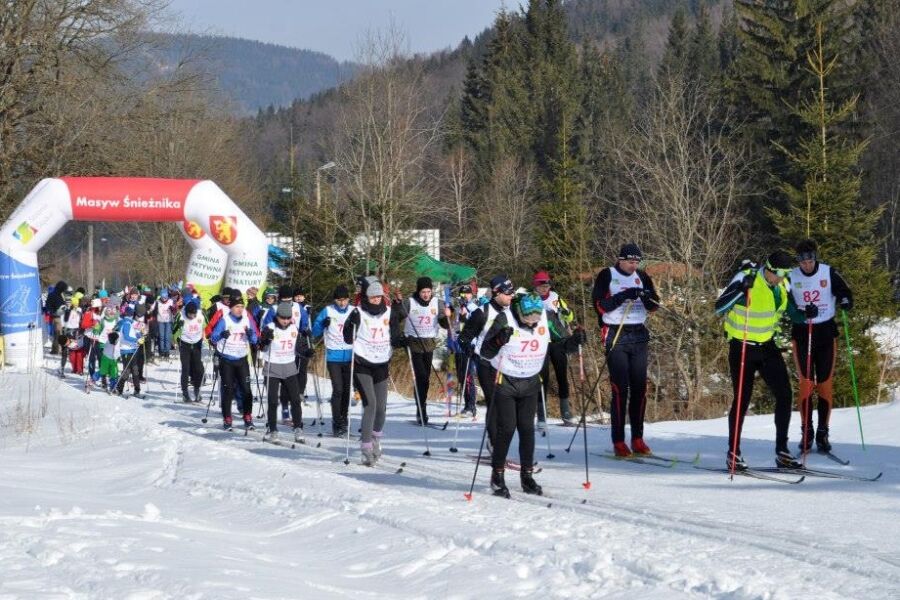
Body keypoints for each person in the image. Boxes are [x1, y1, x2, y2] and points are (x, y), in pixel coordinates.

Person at [480, 292, 586, 497]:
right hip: (506, 382)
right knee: (507, 428)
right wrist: (498, 340)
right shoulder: (504, 319)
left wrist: (575, 341)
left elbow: (561, 344)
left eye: (535, 319)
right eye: (528, 319)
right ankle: (497, 475)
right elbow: (485, 352)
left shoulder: (546, 317)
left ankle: (527, 476)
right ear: (519, 312)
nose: (532, 323)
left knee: (527, 429)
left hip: (530, 382)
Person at [715, 250, 800, 470]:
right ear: (769, 269)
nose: (781, 278)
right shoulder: (747, 278)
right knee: (742, 399)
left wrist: (805, 313)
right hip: (742, 346)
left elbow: (792, 310)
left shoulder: (781, 285)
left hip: (767, 347)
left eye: (786, 274)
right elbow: (720, 307)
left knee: (785, 394)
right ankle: (733, 452)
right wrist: (740, 291)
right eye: (779, 274)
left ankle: (782, 451)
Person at [591, 243, 660, 457]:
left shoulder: (642, 275)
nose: (633, 265)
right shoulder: (607, 275)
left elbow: (655, 305)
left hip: (638, 334)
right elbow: (600, 306)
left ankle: (637, 437)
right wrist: (623, 295)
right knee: (620, 390)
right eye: (630, 261)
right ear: (621, 259)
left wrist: (646, 297)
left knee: (640, 388)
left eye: (636, 262)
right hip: (616, 334)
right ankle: (618, 440)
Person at [787, 239, 853, 454]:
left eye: (810, 260)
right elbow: (786, 305)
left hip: (825, 333)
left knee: (824, 384)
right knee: (806, 384)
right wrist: (801, 314)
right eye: (802, 262)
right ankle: (806, 432)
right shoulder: (791, 276)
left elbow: (845, 291)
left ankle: (823, 433)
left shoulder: (828, 272)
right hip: (802, 333)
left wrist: (844, 300)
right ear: (798, 261)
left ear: (815, 257)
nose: (806, 265)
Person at [343, 280, 405, 466]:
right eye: (373, 296)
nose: (376, 299)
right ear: (366, 297)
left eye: (379, 296)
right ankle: (366, 446)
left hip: (381, 363)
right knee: (370, 404)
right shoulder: (358, 312)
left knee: (381, 408)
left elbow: (394, 337)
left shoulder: (389, 312)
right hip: (363, 362)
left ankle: (376, 438)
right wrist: (349, 327)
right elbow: (347, 337)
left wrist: (403, 341)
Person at [458, 275, 516, 427]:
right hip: (486, 364)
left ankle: (501, 438)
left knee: (506, 405)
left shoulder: (514, 312)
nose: (512, 295)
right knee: (494, 402)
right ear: (497, 293)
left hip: (508, 364)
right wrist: (468, 349)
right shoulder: (482, 313)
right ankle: (493, 439)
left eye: (512, 292)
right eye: (508, 292)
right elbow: (463, 338)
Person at [397, 277, 450, 425]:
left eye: (428, 291)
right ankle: (421, 410)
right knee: (420, 377)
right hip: (413, 342)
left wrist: (447, 316)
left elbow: (444, 324)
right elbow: (396, 318)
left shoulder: (437, 303)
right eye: (423, 291)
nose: (426, 294)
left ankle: (421, 406)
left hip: (429, 343)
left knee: (425, 379)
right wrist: (399, 337)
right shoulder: (410, 302)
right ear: (418, 291)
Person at [210, 292, 260, 430]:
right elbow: (213, 338)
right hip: (226, 359)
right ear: (231, 307)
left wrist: (251, 336)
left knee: (247, 390)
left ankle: (248, 417)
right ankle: (227, 419)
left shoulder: (246, 320)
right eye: (237, 306)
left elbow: (255, 340)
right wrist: (221, 334)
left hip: (242, 359)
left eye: (242, 306)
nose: (240, 309)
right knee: (228, 390)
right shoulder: (225, 320)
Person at [533, 271, 577, 426]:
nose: (545, 289)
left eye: (547, 285)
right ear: (535, 286)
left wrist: (567, 313)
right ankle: (541, 414)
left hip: (558, 341)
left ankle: (566, 412)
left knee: (562, 376)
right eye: (541, 286)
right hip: (541, 342)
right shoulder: (531, 299)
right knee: (541, 378)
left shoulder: (555, 297)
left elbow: (569, 317)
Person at [312, 284, 354, 436]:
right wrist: (323, 324)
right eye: (339, 300)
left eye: (344, 300)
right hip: (333, 356)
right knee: (338, 389)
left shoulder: (353, 310)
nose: (342, 303)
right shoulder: (328, 311)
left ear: (348, 299)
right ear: (335, 300)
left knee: (346, 390)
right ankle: (336, 422)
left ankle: (344, 418)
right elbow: (315, 331)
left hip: (350, 355)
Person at [259, 301, 304, 441]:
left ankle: (298, 429)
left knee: (295, 400)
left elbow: (298, 347)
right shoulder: (269, 327)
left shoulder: (294, 328)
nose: (285, 321)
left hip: (289, 367)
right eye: (282, 318)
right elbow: (261, 347)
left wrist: (306, 351)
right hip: (272, 367)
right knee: (273, 401)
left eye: (288, 318)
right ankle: (273, 430)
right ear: (277, 316)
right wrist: (266, 340)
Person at [451, 283, 480, 417]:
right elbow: (455, 326)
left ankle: (471, 406)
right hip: (459, 345)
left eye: (467, 294)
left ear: (471, 295)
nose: (465, 296)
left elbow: (476, 325)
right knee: (462, 376)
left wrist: (465, 317)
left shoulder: (473, 308)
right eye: (462, 294)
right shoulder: (458, 308)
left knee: (468, 376)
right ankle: (467, 404)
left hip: (469, 346)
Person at [175, 300, 206, 403]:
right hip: (185, 344)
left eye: (193, 314)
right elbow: (173, 331)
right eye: (190, 314)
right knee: (186, 368)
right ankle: (185, 393)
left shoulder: (200, 316)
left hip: (197, 343)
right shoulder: (180, 316)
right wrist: (177, 336)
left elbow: (207, 327)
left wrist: (208, 337)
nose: (192, 316)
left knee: (199, 369)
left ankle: (197, 390)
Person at [116, 306, 146, 397]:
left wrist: (141, 335)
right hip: (126, 350)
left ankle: (137, 390)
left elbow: (133, 334)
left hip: (132, 350)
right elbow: (126, 337)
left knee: (135, 370)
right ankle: (119, 388)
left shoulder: (130, 323)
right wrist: (137, 340)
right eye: (132, 314)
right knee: (127, 371)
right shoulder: (126, 323)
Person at [154, 288, 176, 359]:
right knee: (161, 336)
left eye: (165, 297)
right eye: (163, 297)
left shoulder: (170, 301)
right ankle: (162, 351)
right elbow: (154, 311)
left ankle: (167, 351)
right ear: (161, 296)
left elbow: (174, 310)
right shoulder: (157, 302)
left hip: (168, 321)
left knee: (167, 337)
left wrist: (173, 309)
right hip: (160, 321)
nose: (164, 299)